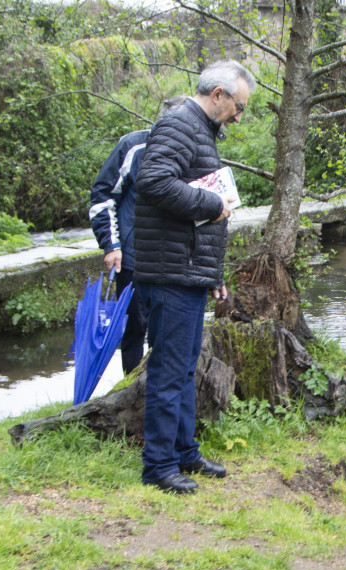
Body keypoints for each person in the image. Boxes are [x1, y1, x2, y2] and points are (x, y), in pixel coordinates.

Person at [133, 60, 255, 494]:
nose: (239, 117)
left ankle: (185, 453)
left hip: (186, 272)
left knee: (185, 369)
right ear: (217, 94)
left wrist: (211, 274)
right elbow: (153, 182)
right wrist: (209, 203)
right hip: (168, 274)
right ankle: (159, 467)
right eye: (237, 107)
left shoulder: (199, 129)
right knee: (169, 371)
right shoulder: (179, 124)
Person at [89, 128, 150, 375]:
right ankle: (132, 383)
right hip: (132, 255)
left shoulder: (195, 145)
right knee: (135, 326)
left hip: (171, 257)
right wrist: (111, 245)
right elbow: (103, 196)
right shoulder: (133, 146)